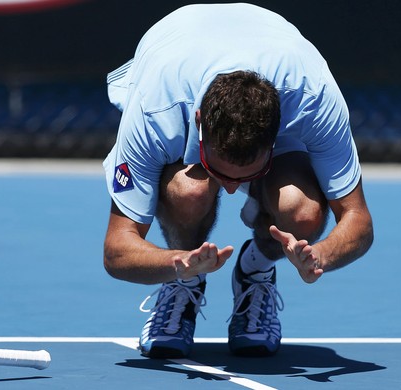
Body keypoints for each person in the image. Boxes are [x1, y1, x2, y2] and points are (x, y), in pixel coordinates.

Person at [102, 3, 373, 358]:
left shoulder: (313, 97)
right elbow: (116, 248)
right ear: (199, 123)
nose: (230, 190)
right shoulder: (156, 110)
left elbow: (358, 220)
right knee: (190, 191)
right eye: (218, 171)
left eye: (248, 174)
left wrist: (319, 256)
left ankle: (256, 270)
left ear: (275, 138)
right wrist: (176, 264)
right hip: (174, 50)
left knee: (303, 214)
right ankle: (184, 285)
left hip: (278, 64)